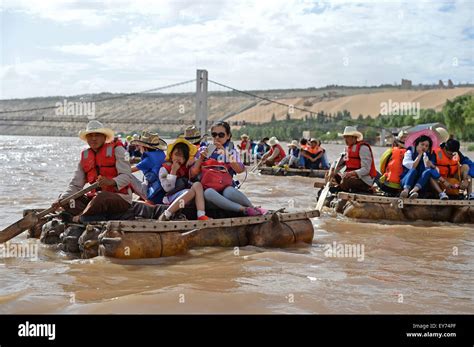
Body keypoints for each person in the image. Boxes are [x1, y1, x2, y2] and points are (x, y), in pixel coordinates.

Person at [52, 120, 132, 223]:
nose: (93, 138)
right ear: (86, 139)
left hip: (120, 198)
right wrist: (61, 200)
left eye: (97, 135)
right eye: (90, 136)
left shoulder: (118, 150)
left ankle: (78, 218)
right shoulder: (85, 156)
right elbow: (76, 185)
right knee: (68, 200)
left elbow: (127, 177)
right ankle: (91, 216)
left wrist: (111, 181)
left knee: (101, 197)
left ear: (104, 137)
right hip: (95, 200)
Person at [190, 121, 267, 216]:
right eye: (214, 135)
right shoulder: (204, 150)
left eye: (221, 135)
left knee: (229, 192)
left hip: (225, 186)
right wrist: (201, 158)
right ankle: (243, 209)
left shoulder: (231, 152)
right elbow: (193, 173)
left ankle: (252, 208)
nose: (217, 137)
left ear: (228, 136)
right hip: (209, 189)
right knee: (208, 192)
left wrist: (226, 154)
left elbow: (240, 170)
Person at [158, 138, 210, 221]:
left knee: (197, 184)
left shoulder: (186, 167)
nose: (179, 158)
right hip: (172, 197)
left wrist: (198, 158)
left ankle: (201, 215)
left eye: (182, 156)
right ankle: (167, 213)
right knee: (190, 192)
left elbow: (197, 163)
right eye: (176, 154)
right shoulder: (164, 169)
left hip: (187, 197)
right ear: (171, 155)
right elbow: (168, 188)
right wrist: (173, 171)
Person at [399, 131, 443, 199]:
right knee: (413, 170)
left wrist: (430, 165)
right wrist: (419, 155)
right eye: (422, 144)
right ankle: (406, 191)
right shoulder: (410, 152)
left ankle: (413, 191)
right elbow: (413, 166)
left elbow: (432, 170)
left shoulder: (429, 156)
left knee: (428, 171)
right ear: (417, 144)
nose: (424, 147)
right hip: (406, 181)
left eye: (426, 146)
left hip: (420, 183)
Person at [334, 126, 377, 193]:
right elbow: (341, 164)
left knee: (346, 180)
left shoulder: (363, 148)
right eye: (345, 137)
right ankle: (341, 187)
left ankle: (366, 190)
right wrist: (333, 172)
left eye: (348, 137)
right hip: (351, 178)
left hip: (364, 180)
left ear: (354, 137)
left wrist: (351, 173)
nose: (345, 140)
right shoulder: (347, 149)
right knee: (335, 175)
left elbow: (366, 169)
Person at [129, 131, 168, 204]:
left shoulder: (148, 160)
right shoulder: (161, 153)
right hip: (161, 188)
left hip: (153, 191)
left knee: (127, 176)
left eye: (139, 146)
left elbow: (129, 170)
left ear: (144, 147)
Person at [378, 130, 408, 195]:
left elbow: (382, 168)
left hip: (387, 186)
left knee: (377, 174)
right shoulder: (410, 154)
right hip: (402, 188)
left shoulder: (390, 151)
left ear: (395, 143)